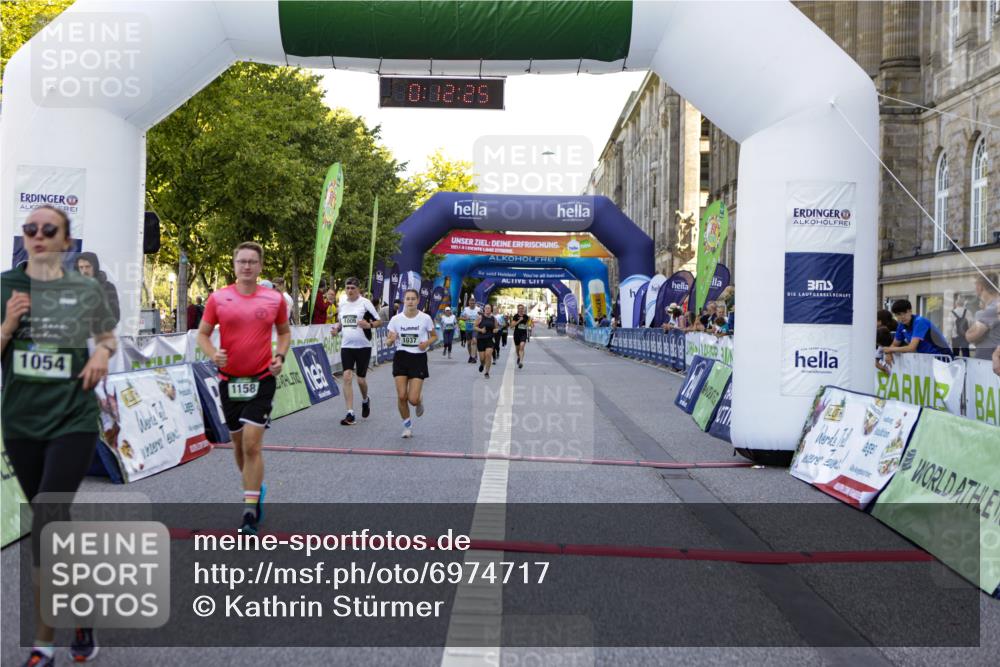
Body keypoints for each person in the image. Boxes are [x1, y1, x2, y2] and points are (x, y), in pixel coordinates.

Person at [3, 205, 118, 666]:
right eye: (30, 229)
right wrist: (9, 325)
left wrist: (103, 355)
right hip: (20, 422)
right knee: (54, 528)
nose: (38, 235)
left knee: (47, 521)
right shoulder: (5, 287)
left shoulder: (84, 288)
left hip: (72, 418)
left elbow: (107, 336)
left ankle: (42, 643)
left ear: (65, 242)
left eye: (48, 229)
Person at [197, 241, 291, 535]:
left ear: (260, 266)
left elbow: (285, 333)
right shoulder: (218, 298)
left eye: (252, 261)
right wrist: (213, 353)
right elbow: (202, 334)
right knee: (238, 446)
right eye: (242, 261)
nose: (247, 266)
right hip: (229, 381)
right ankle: (255, 487)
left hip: (261, 379)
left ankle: (249, 512)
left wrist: (280, 356)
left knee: (252, 444)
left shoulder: (274, 299)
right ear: (234, 265)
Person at [386, 288, 437, 438]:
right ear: (404, 300)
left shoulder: (425, 318)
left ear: (418, 300)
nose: (410, 301)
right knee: (402, 396)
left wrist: (426, 343)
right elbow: (388, 342)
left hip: (418, 358)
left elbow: (434, 336)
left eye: (413, 299)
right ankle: (407, 426)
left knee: (412, 400)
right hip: (401, 357)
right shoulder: (396, 319)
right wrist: (391, 339)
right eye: (407, 299)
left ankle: (419, 400)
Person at [330, 277, 380, 426]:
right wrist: (336, 330)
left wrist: (368, 325)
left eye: (353, 288)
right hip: (347, 346)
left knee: (361, 380)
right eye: (348, 288)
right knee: (346, 376)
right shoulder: (343, 303)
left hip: (363, 346)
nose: (350, 291)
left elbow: (378, 321)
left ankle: (365, 399)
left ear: (359, 290)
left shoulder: (365, 303)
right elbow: (341, 322)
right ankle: (350, 413)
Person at [885, 299, 953, 364]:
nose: (902, 316)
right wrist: (888, 353)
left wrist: (890, 350)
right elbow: (894, 344)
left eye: (905, 313)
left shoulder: (920, 322)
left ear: (910, 311)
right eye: (899, 314)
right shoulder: (901, 325)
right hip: (928, 359)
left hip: (943, 358)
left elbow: (911, 348)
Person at [75, 250, 120, 326]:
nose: (84, 271)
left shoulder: (108, 287)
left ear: (95, 267)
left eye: (87, 266)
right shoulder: (73, 287)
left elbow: (114, 316)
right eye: (81, 267)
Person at [966, 273, 1000, 361]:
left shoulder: (992, 308)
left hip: (988, 364)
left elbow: (970, 336)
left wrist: (979, 315)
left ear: (980, 287)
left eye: (975, 285)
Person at [474, 303, 498, 378]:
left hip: (490, 339)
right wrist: (481, 330)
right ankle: (482, 364)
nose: (487, 309)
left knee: (488, 355)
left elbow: (496, 327)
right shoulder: (480, 317)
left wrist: (495, 330)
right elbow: (474, 327)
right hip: (481, 339)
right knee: (482, 358)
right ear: (484, 309)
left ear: (491, 310)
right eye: (486, 308)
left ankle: (487, 372)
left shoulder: (493, 318)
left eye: (489, 308)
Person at [511, 304, 533, 369]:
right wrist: (519, 320)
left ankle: (521, 362)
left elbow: (530, 324)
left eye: (522, 308)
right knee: (517, 349)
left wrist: (530, 324)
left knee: (522, 346)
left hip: (523, 334)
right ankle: (518, 356)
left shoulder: (526, 316)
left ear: (523, 309)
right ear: (518, 309)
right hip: (517, 334)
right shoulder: (515, 316)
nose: (521, 309)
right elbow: (512, 326)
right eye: (519, 308)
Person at [461, 297, 481, 363]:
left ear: (475, 303)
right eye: (471, 303)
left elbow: (482, 317)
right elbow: (460, 317)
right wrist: (465, 318)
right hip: (468, 328)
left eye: (473, 303)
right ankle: (471, 356)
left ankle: (474, 357)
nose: (472, 304)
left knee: (474, 341)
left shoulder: (478, 309)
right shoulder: (465, 309)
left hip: (475, 328)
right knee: (469, 343)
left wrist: (479, 321)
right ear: (469, 303)